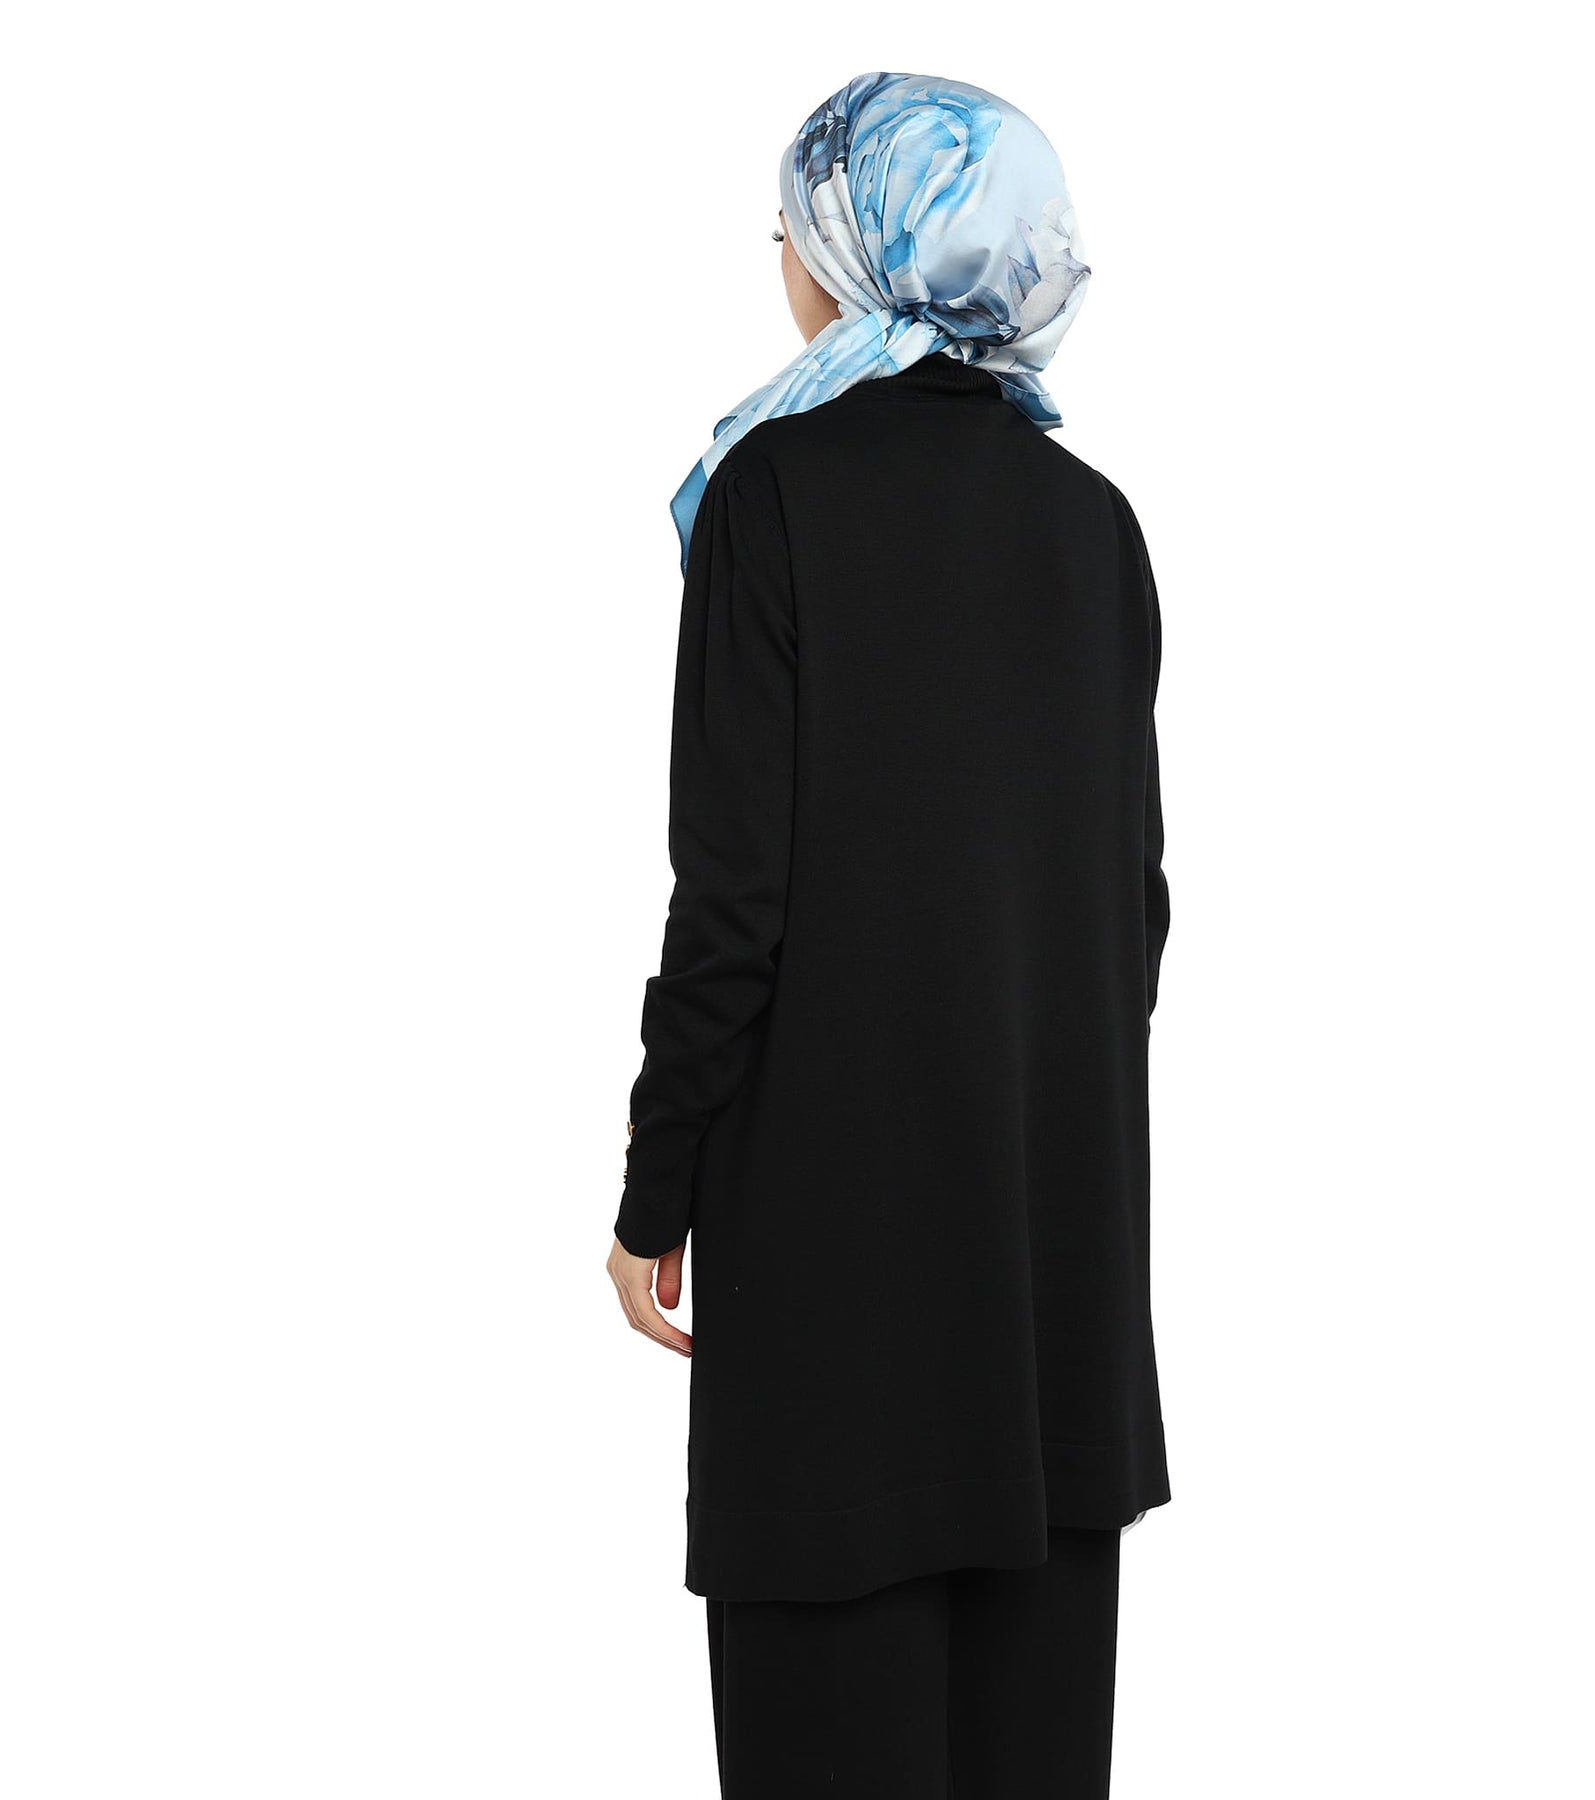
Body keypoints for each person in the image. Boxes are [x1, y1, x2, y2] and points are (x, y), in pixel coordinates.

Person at [607, 71, 1171, 1799]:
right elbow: (1134, 909)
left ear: (865, 245)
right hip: (1054, 1268)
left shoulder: (773, 493)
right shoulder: (1093, 522)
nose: (780, 250)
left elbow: (735, 899)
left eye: (799, 220)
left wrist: (656, 1188)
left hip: (836, 1272)